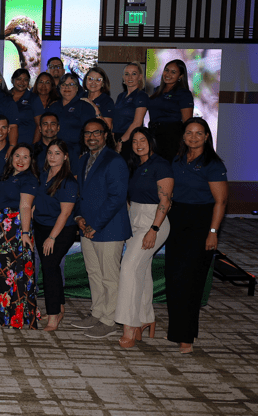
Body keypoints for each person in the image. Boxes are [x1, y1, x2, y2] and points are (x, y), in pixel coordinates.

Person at [165, 118, 227, 354]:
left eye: (198, 133)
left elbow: (221, 201)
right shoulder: (177, 159)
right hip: (177, 221)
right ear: (183, 136)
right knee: (174, 277)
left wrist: (213, 232)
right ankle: (176, 331)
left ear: (207, 136)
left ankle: (186, 337)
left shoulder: (213, 163)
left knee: (191, 281)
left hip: (201, 223)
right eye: (189, 133)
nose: (193, 137)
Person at [72, 119, 131, 338]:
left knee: (109, 277)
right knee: (94, 273)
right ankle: (97, 312)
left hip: (109, 229)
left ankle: (109, 319)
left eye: (96, 132)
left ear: (106, 135)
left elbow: (117, 198)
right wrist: (79, 216)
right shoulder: (83, 159)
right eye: (87, 133)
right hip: (87, 227)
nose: (91, 137)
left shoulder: (114, 160)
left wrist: (95, 225)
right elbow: (81, 193)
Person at [115, 128, 173, 348]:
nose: (139, 144)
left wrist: (153, 229)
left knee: (128, 268)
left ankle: (130, 325)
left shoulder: (161, 165)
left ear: (151, 141)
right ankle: (146, 316)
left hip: (153, 221)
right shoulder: (135, 165)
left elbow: (165, 201)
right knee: (142, 269)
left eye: (143, 140)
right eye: (135, 141)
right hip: (134, 218)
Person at [0, 143, 39, 329]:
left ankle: (15, 315)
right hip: (1, 227)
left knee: (15, 273)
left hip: (16, 229)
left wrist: (25, 233)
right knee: (1, 270)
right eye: (17, 155)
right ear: (11, 158)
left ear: (31, 160)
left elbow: (25, 207)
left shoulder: (29, 179)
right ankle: (1, 312)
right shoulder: (5, 175)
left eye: (26, 157)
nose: (21, 160)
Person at [32, 140, 79, 331]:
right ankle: (59, 307)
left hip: (61, 230)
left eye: (57, 153)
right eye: (50, 152)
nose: (52, 156)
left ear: (65, 157)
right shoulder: (43, 175)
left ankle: (53, 316)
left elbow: (65, 214)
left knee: (50, 267)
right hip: (40, 227)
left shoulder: (68, 182)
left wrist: (51, 238)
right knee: (50, 267)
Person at [147, 59, 194, 162]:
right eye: (166, 70)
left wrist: (184, 146)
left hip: (172, 138)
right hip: (153, 136)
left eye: (173, 72)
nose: (168, 74)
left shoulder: (184, 94)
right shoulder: (156, 90)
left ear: (180, 76)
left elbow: (187, 123)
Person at [46, 72, 97, 159]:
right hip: (54, 152)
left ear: (77, 88)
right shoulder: (53, 107)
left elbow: (90, 132)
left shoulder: (84, 106)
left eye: (71, 84)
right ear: (59, 87)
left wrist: (84, 152)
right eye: (64, 84)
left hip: (76, 153)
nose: (67, 87)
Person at [113, 62, 149, 160]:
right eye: (127, 74)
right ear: (123, 78)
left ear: (140, 77)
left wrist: (121, 141)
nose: (130, 77)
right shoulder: (121, 96)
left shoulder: (141, 96)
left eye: (134, 74)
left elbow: (137, 123)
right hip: (117, 138)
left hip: (130, 139)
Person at [10, 69, 43, 145]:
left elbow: (39, 125)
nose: (22, 82)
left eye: (25, 80)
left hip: (26, 144)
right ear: (12, 80)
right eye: (19, 79)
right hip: (6, 144)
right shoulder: (5, 97)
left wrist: (34, 146)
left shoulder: (33, 98)